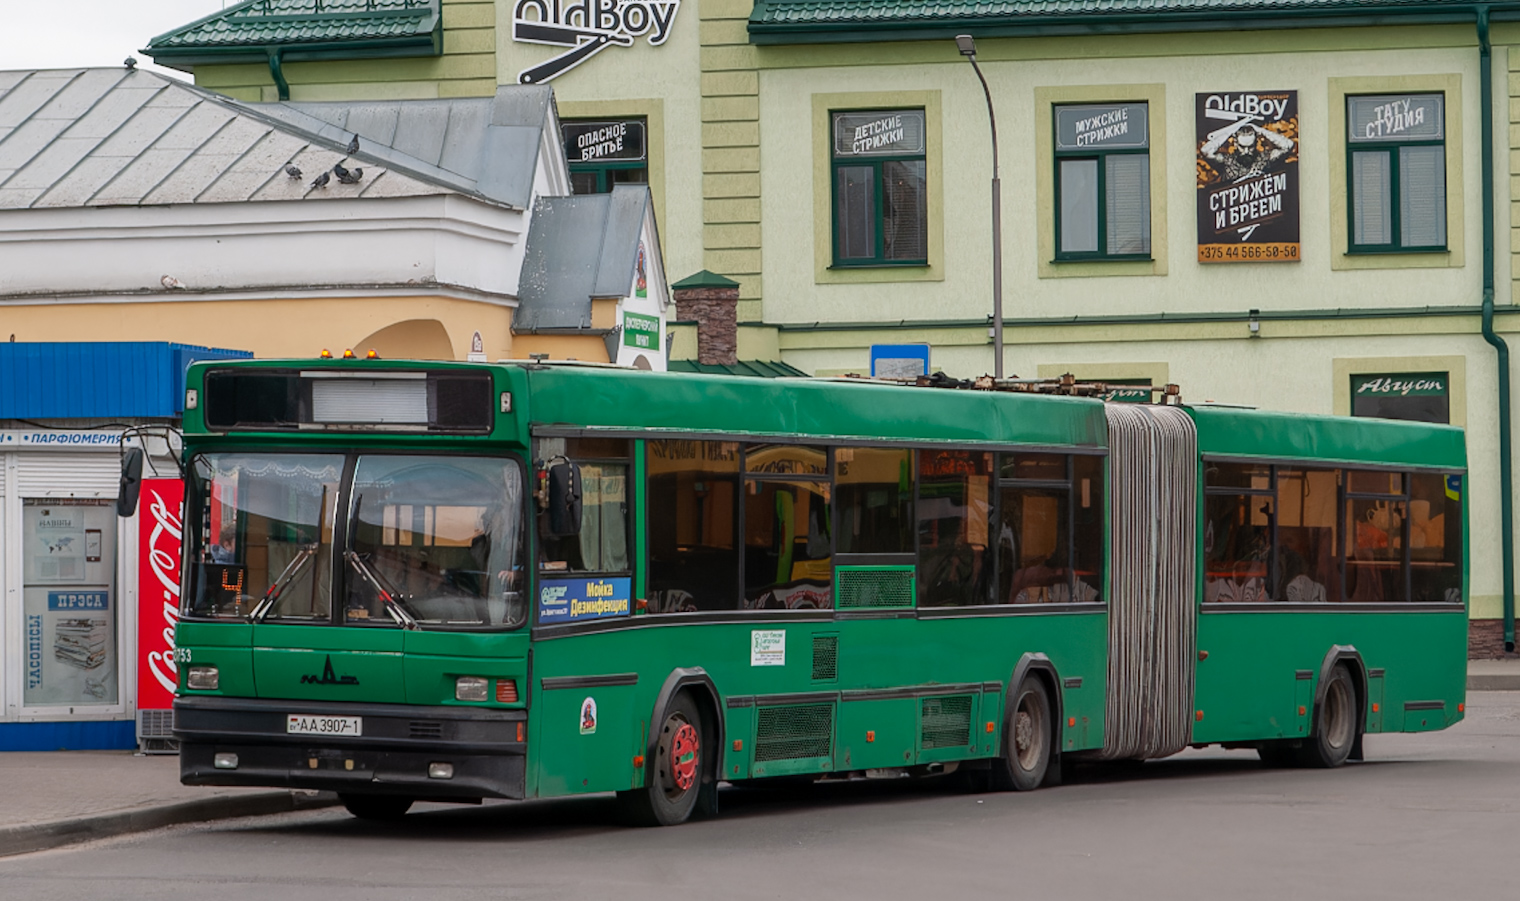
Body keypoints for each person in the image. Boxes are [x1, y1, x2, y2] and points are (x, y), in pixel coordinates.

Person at [1202, 117, 1294, 182]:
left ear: (1256, 142)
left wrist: (1261, 130)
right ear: (1235, 143)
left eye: (1250, 147)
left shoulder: (1265, 158)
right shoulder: (1227, 161)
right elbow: (1205, 151)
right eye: (1242, 147)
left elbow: (1288, 145)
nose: (1246, 152)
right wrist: (1230, 131)